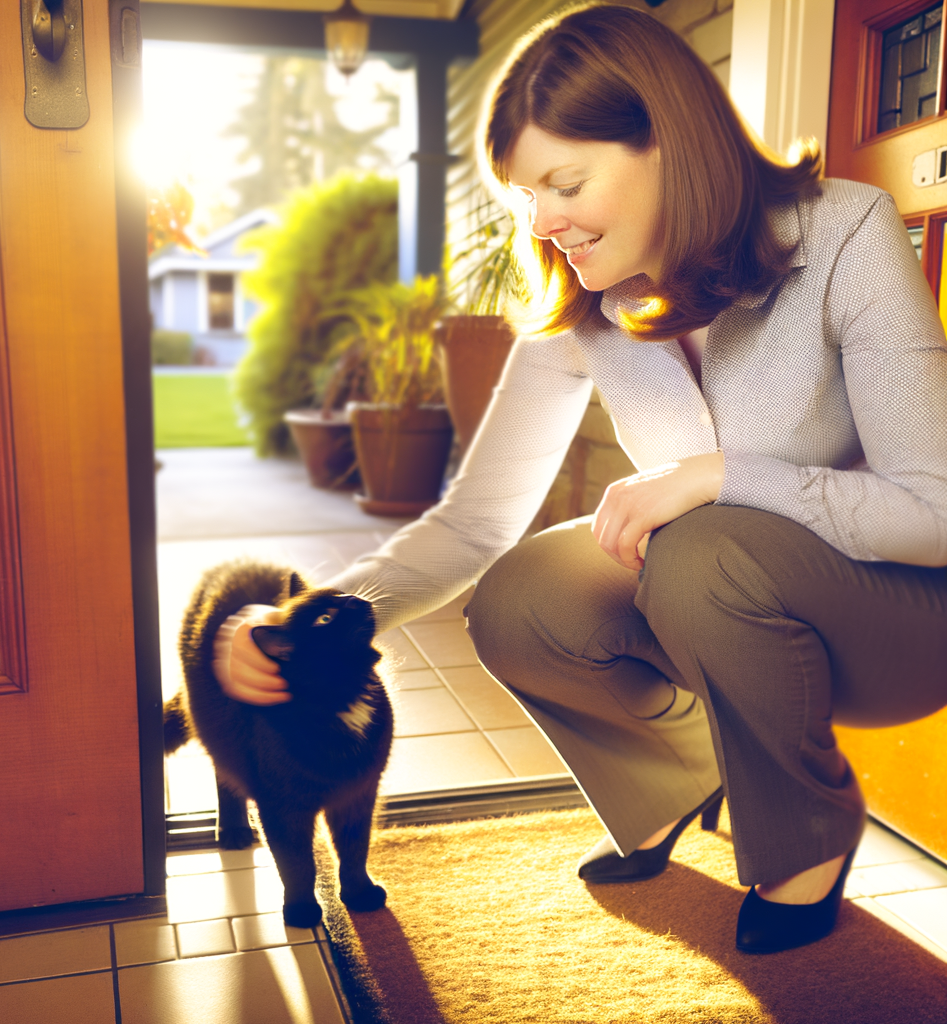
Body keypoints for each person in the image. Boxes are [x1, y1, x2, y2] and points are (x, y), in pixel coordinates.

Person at [212, 4, 947, 954]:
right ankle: (673, 784)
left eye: (565, 182)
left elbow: (937, 512)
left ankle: (808, 837)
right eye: (527, 196)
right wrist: (305, 619)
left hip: (900, 622)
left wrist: (720, 475)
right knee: (518, 595)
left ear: (668, 145)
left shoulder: (845, 233)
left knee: (698, 544)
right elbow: (475, 527)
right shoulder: (585, 309)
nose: (545, 223)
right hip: (730, 608)